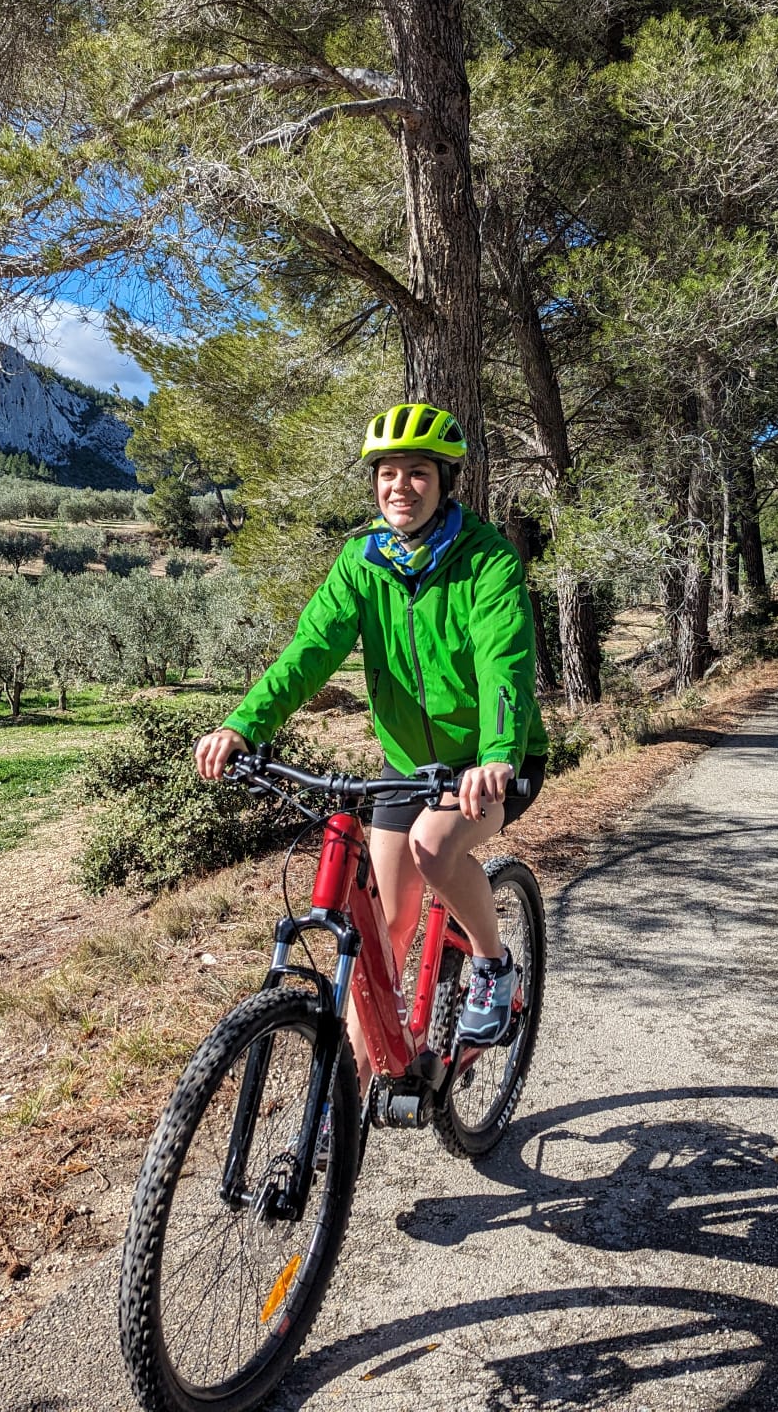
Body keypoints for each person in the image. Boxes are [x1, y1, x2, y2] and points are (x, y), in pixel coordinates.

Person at [193, 403, 549, 1065]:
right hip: (408, 766)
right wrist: (243, 724)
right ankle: (342, 1110)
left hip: (493, 760)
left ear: (445, 482)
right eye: (388, 473)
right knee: (382, 934)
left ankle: (495, 968)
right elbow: (309, 652)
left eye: (418, 472)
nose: (400, 486)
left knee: (435, 847)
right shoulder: (362, 564)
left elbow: (505, 660)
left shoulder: (487, 562)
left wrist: (497, 756)